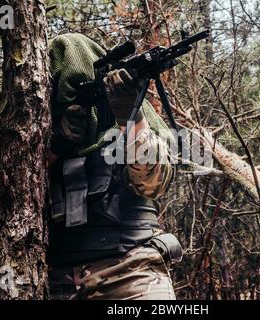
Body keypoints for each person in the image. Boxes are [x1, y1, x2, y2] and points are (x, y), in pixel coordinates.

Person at [46, 33, 182, 300]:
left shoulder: (125, 116)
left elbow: (154, 183)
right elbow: (15, 191)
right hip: (57, 279)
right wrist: (57, 143)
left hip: (131, 272)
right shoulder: (43, 125)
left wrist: (130, 118)